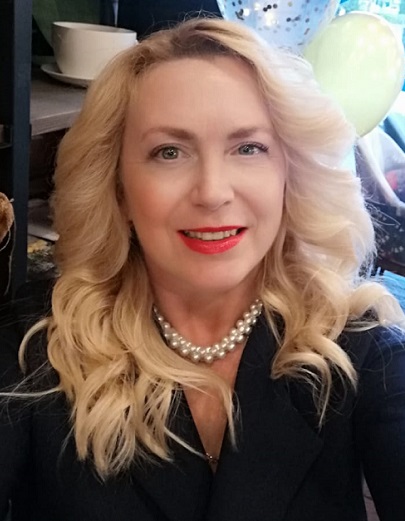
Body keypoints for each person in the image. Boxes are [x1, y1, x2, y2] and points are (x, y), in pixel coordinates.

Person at [1, 16, 405, 521]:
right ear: (118, 188)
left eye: (248, 148)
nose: (212, 192)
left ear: (289, 174)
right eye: (169, 152)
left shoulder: (361, 350)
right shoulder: (36, 349)